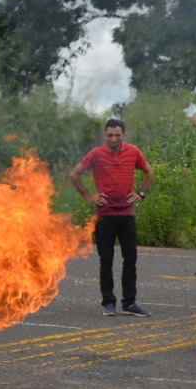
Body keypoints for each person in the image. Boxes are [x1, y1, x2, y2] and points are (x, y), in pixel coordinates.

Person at [69, 118, 155, 316]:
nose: (114, 138)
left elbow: (149, 173)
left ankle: (129, 303)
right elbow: (75, 174)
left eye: (117, 135)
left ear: (124, 135)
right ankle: (108, 302)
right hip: (104, 216)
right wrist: (89, 196)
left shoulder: (133, 152)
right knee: (106, 260)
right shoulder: (96, 154)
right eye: (110, 135)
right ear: (104, 135)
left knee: (130, 259)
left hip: (127, 216)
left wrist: (140, 194)